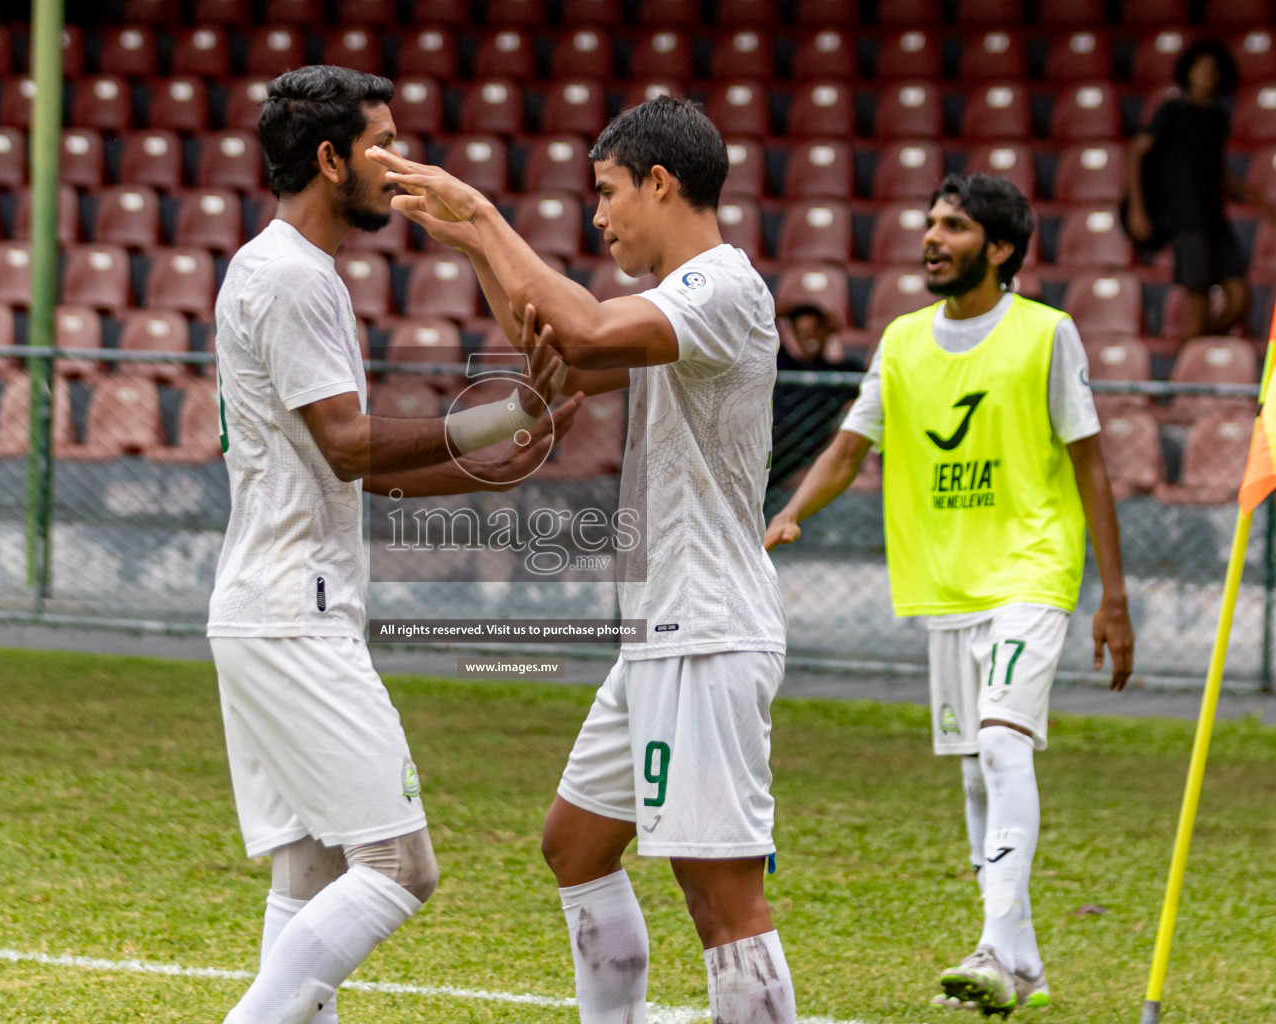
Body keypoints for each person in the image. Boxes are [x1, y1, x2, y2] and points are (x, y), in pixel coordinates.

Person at [372, 95, 798, 1023]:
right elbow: (568, 358)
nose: (598, 217)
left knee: (722, 898)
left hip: (708, 633)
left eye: (606, 194)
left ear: (659, 182)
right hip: (660, 633)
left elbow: (592, 334)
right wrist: (477, 248)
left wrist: (487, 216)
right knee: (574, 846)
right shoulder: (669, 306)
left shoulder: (723, 286)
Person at [208, 65, 579, 1024]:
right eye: (381, 144)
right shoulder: (293, 276)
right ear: (331, 160)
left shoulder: (281, 268)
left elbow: (358, 469)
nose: (401, 164)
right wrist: (492, 420)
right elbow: (349, 443)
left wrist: (508, 457)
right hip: (296, 611)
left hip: (267, 606)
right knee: (400, 867)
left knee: (311, 869)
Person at [765, 173, 1135, 1016]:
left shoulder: (1049, 335)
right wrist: (786, 516)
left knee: (1004, 748)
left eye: (954, 226)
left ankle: (994, 952)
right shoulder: (900, 342)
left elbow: (1090, 463)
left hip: (1032, 573)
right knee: (976, 773)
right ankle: (1024, 965)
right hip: (947, 587)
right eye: (929, 223)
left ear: (999, 249)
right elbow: (851, 447)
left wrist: (1113, 597)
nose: (931, 238)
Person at [1125, 39, 1276, 341]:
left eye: (1214, 70)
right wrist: (1137, 208)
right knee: (1199, 304)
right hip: (1185, 218)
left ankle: (1197, 353)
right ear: (1188, 71)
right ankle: (1184, 375)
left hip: (1214, 219)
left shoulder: (1217, 117)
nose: (1207, 74)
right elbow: (1137, 152)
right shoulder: (1172, 110)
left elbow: (1215, 168)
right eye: (1201, 68)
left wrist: (1256, 196)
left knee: (1239, 299)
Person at [773, 300, 863, 486]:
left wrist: (833, 328)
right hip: (777, 442)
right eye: (803, 331)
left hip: (809, 447)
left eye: (816, 330)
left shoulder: (840, 372)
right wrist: (789, 312)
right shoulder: (784, 364)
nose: (810, 336)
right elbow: (765, 319)